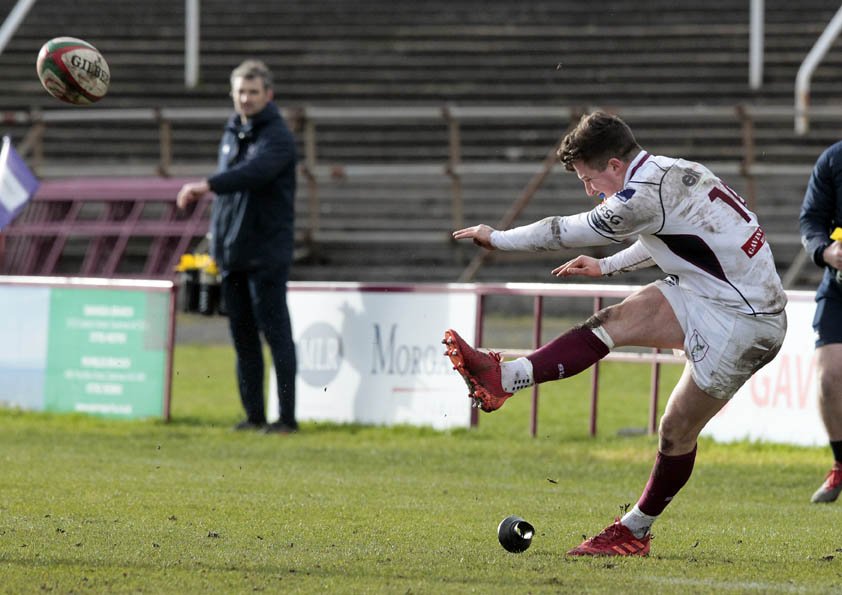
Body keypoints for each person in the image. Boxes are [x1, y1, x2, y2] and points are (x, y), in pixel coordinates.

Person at [444, 111, 787, 556]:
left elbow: (564, 231)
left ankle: (635, 530)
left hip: (745, 323)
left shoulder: (642, 194)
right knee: (613, 321)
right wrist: (606, 266)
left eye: (589, 179)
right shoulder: (671, 171)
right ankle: (503, 379)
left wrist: (498, 238)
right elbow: (664, 236)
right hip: (712, 294)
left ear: (614, 165)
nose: (589, 191)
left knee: (675, 430)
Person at [177, 59, 298, 434]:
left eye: (253, 92)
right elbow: (230, 200)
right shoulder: (233, 131)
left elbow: (254, 174)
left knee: (276, 336)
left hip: (266, 253)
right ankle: (254, 415)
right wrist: (216, 242)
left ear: (268, 95)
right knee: (243, 338)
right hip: (232, 253)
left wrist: (207, 185)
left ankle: (286, 419)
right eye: (241, 91)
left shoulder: (277, 136)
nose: (246, 98)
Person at [799, 140, 842, 503]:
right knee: (829, 377)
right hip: (839, 287)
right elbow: (811, 220)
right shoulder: (833, 159)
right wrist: (826, 250)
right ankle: (840, 464)